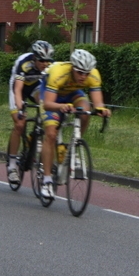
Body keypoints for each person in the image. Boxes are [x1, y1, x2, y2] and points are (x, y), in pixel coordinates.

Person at [39, 49, 111, 200]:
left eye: (86, 73)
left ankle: (74, 144)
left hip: (73, 93)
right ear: (72, 68)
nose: (83, 77)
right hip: (52, 97)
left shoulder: (93, 75)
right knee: (51, 134)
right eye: (79, 72)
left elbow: (97, 102)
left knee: (86, 109)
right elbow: (47, 104)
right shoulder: (59, 73)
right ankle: (46, 181)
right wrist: (60, 107)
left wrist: (102, 109)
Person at [6, 40, 54, 183]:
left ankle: (35, 137)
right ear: (34, 58)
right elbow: (18, 90)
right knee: (19, 124)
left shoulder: (50, 66)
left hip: (34, 86)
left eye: (47, 60)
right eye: (41, 60)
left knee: (45, 105)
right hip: (18, 86)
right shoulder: (25, 64)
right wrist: (20, 108)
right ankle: (12, 166)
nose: (45, 64)